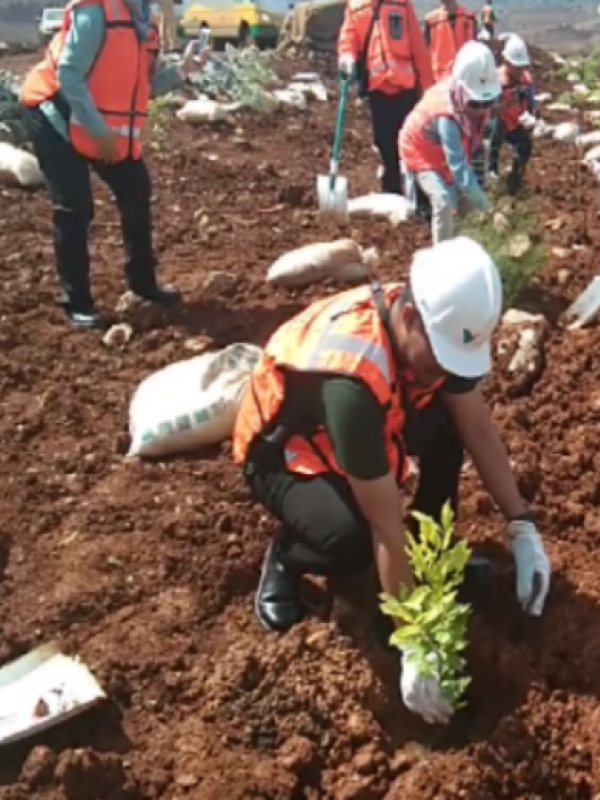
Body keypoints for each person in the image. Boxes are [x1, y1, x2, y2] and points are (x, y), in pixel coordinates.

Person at [232, 236, 551, 724]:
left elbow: (478, 427)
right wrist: (414, 640)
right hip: (285, 451)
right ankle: (290, 554)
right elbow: (387, 527)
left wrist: (521, 524)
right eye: (434, 366)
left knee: (448, 431)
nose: (440, 376)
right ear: (408, 319)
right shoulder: (353, 380)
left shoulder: (439, 333)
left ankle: (429, 561)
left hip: (363, 434)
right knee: (351, 540)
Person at [20, 0, 209, 331]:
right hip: (54, 115)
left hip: (96, 124)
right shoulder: (96, 12)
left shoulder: (143, 21)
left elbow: (140, 88)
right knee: (75, 207)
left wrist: (182, 71)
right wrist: (98, 132)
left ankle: (143, 283)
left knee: (136, 189)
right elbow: (68, 74)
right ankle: (77, 303)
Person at [400, 41, 498, 244]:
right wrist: (489, 210)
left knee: (466, 201)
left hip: (444, 150)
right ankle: (442, 255)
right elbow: (459, 169)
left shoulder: (474, 107)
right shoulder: (447, 117)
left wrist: (478, 193)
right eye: (476, 103)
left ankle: (462, 244)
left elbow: (477, 150)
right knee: (444, 201)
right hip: (420, 148)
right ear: (462, 92)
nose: (481, 110)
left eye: (487, 103)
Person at [337, 0, 433, 196]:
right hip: (378, 87)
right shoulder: (357, 7)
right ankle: (393, 187)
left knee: (410, 139)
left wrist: (427, 89)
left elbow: (418, 48)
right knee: (384, 140)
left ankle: (420, 192)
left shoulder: (402, 5)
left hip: (406, 86)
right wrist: (346, 55)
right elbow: (349, 36)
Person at [486, 34, 535, 196]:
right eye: (516, 66)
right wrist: (505, 104)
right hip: (495, 123)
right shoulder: (496, 80)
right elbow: (487, 110)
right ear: (506, 62)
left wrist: (530, 116)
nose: (520, 71)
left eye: (522, 67)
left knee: (525, 146)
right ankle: (491, 170)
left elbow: (530, 103)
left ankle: (515, 179)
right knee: (497, 129)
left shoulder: (526, 80)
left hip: (515, 123)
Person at [424, 0, 477, 83]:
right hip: (439, 80)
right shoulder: (432, 20)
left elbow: (477, 49)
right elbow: (425, 51)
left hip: (465, 78)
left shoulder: (469, 17)